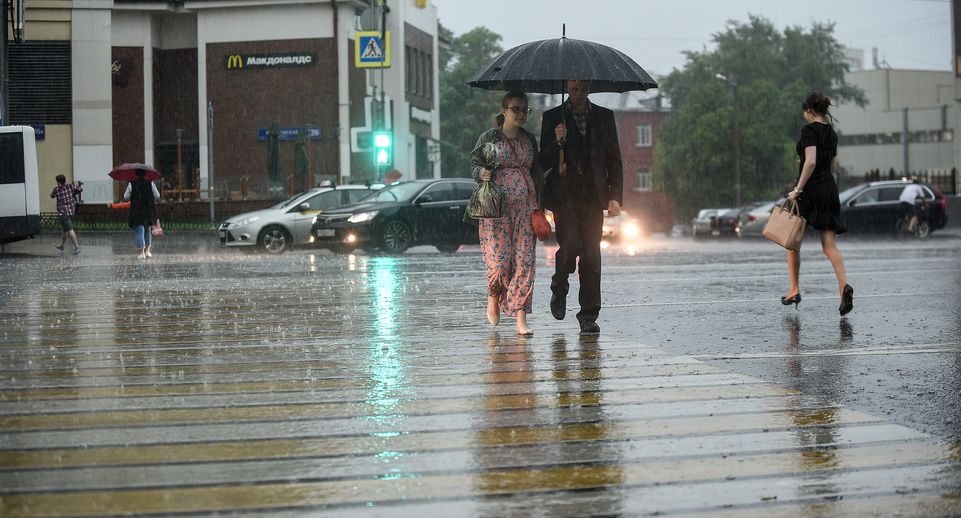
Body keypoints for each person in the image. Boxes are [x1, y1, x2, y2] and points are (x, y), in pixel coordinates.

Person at [538, 80, 623, 334]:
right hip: (564, 197)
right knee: (571, 246)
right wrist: (558, 141)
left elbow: (614, 158)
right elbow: (544, 162)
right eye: (574, 89)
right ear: (567, 86)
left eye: (584, 88)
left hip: (593, 197)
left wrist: (615, 196)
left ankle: (588, 315)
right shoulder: (553, 117)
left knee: (591, 255)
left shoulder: (604, 117)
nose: (579, 93)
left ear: (589, 87)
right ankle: (559, 284)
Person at [469, 91, 544, 336]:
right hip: (496, 210)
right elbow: (474, 164)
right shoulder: (489, 137)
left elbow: (537, 171)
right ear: (504, 111)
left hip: (526, 209)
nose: (521, 114)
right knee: (500, 263)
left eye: (525, 110)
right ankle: (494, 294)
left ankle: (521, 318)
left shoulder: (529, 139)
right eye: (516, 109)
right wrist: (481, 173)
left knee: (525, 262)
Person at [783, 92, 853, 316]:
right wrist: (805, 161)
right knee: (830, 246)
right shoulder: (832, 133)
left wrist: (797, 190)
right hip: (829, 189)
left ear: (809, 111)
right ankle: (844, 288)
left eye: (804, 112)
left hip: (810, 191)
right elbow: (831, 166)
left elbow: (811, 162)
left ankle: (794, 289)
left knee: (792, 242)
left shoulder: (809, 131)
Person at [123, 169, 160, 259]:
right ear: (145, 174)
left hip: (136, 210)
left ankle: (141, 252)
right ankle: (147, 251)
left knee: (139, 230)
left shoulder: (131, 184)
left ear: (136, 174)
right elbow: (157, 195)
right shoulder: (150, 183)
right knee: (147, 229)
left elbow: (126, 197)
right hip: (148, 209)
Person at [50, 174, 83, 254]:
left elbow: (52, 196)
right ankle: (61, 245)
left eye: (57, 181)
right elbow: (80, 189)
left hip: (63, 212)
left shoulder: (57, 189)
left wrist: (55, 193)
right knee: (65, 229)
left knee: (70, 229)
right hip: (71, 211)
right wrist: (74, 191)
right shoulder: (70, 186)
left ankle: (77, 247)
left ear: (59, 182)